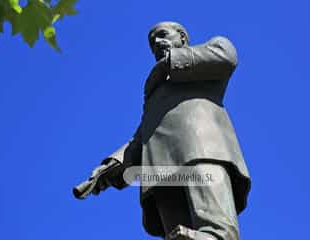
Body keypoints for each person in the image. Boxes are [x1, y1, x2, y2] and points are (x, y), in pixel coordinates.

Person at [86, 22, 251, 240]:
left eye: (162, 35)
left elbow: (226, 57)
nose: (156, 43)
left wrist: (170, 63)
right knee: (176, 233)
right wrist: (112, 167)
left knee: (214, 228)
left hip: (200, 147)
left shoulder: (205, 54)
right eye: (151, 42)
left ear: (182, 36)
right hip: (161, 171)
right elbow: (143, 136)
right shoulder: (154, 92)